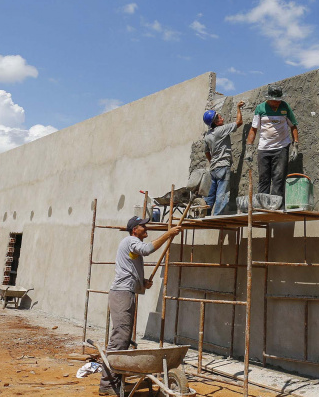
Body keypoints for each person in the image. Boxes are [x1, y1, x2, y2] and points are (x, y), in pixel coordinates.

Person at [100, 217, 182, 395]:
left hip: (125, 293)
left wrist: (142, 282)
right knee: (120, 338)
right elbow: (147, 249)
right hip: (121, 294)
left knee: (123, 337)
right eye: (143, 226)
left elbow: (129, 269)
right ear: (134, 229)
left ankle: (115, 380)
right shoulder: (131, 240)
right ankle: (107, 384)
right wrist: (168, 234)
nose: (146, 228)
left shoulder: (131, 245)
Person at [246, 85, 299, 204]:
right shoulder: (260, 109)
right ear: (269, 98)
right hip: (264, 148)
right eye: (275, 100)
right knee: (263, 178)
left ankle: (276, 206)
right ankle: (263, 205)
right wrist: (249, 149)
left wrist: (295, 145)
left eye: (279, 100)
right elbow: (253, 129)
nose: (277, 102)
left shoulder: (285, 107)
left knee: (278, 178)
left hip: (281, 147)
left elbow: (293, 126)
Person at [202, 100, 245, 216]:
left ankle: (205, 214)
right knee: (222, 193)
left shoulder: (207, 136)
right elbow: (239, 122)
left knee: (211, 194)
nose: (221, 117)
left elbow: (206, 152)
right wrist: (238, 108)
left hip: (214, 168)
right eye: (219, 117)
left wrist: (212, 161)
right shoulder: (221, 130)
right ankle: (217, 216)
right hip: (223, 166)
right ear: (215, 122)